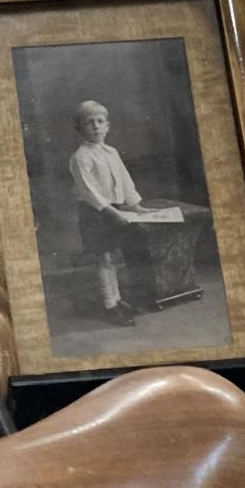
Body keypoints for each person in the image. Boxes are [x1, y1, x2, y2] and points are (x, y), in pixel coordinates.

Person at [68, 99, 145, 326]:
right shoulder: (80, 157)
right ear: (80, 129)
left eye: (100, 121)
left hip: (116, 210)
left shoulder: (111, 152)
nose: (95, 126)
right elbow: (90, 192)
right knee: (103, 259)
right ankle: (109, 305)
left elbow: (124, 181)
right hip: (96, 213)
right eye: (89, 122)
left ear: (108, 126)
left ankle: (118, 299)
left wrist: (135, 205)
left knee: (113, 258)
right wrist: (114, 213)